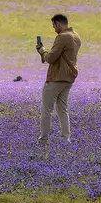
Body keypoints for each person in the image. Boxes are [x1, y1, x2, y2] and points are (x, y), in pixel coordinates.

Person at [35, 14, 82, 144]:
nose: (54, 29)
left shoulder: (62, 37)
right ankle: (65, 139)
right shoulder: (76, 36)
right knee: (62, 109)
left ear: (58, 24)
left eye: (54, 26)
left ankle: (43, 139)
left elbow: (50, 58)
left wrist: (42, 51)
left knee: (46, 110)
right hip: (69, 78)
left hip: (56, 78)